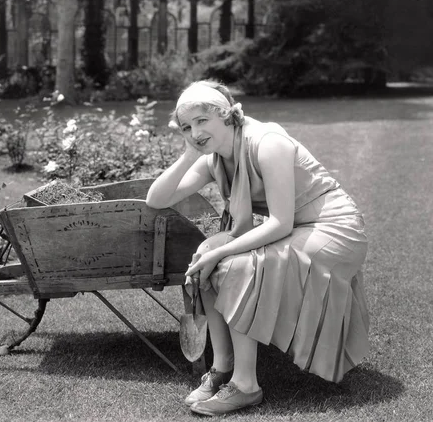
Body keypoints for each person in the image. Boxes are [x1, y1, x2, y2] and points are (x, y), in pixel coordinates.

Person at [146, 80, 369, 416]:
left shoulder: (267, 143)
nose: (195, 131)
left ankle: (246, 385)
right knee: (206, 261)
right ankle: (222, 368)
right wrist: (190, 152)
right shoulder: (214, 158)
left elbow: (280, 222)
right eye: (187, 126)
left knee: (233, 265)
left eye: (202, 121)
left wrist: (223, 251)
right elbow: (156, 200)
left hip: (333, 229)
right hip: (295, 227)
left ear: (227, 115)